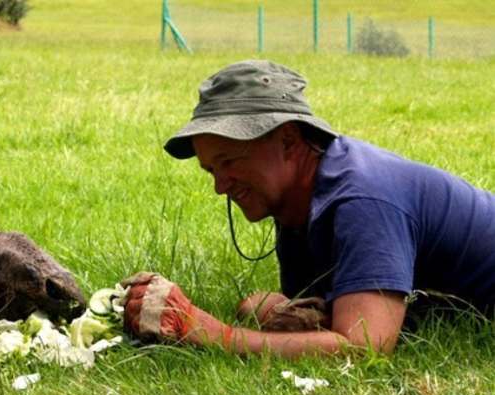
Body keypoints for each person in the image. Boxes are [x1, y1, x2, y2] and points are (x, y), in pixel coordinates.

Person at [121, 59, 495, 358]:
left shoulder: (362, 197)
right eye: (211, 170)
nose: (220, 186)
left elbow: (365, 346)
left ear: (287, 140)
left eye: (230, 161)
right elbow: (317, 314)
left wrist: (208, 332)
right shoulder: (298, 201)